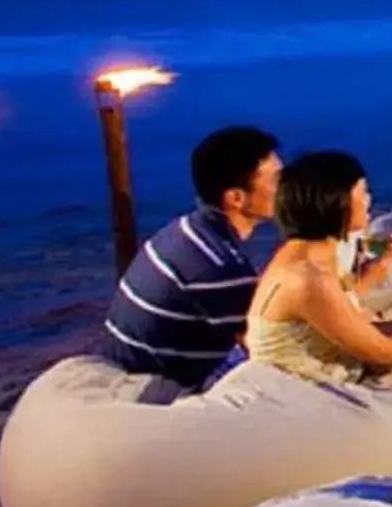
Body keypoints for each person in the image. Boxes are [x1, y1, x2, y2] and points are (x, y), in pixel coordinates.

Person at [101, 126, 280, 388]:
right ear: (236, 198)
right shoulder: (219, 267)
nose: (288, 189)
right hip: (159, 394)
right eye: (277, 180)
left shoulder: (186, 230)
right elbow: (271, 345)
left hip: (130, 366)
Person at [243, 150, 392, 384]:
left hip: (333, 367)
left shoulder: (314, 253)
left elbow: (342, 295)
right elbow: (382, 351)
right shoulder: (305, 276)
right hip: (308, 386)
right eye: (363, 192)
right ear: (337, 203)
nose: (369, 199)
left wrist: (379, 263)